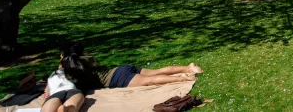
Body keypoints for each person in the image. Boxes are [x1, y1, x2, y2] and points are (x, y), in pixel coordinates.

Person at [60, 42, 201, 91]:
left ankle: (182, 79)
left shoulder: (72, 65)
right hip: (121, 69)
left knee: (149, 80)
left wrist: (62, 66)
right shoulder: (86, 57)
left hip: (116, 78)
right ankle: (188, 68)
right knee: (156, 72)